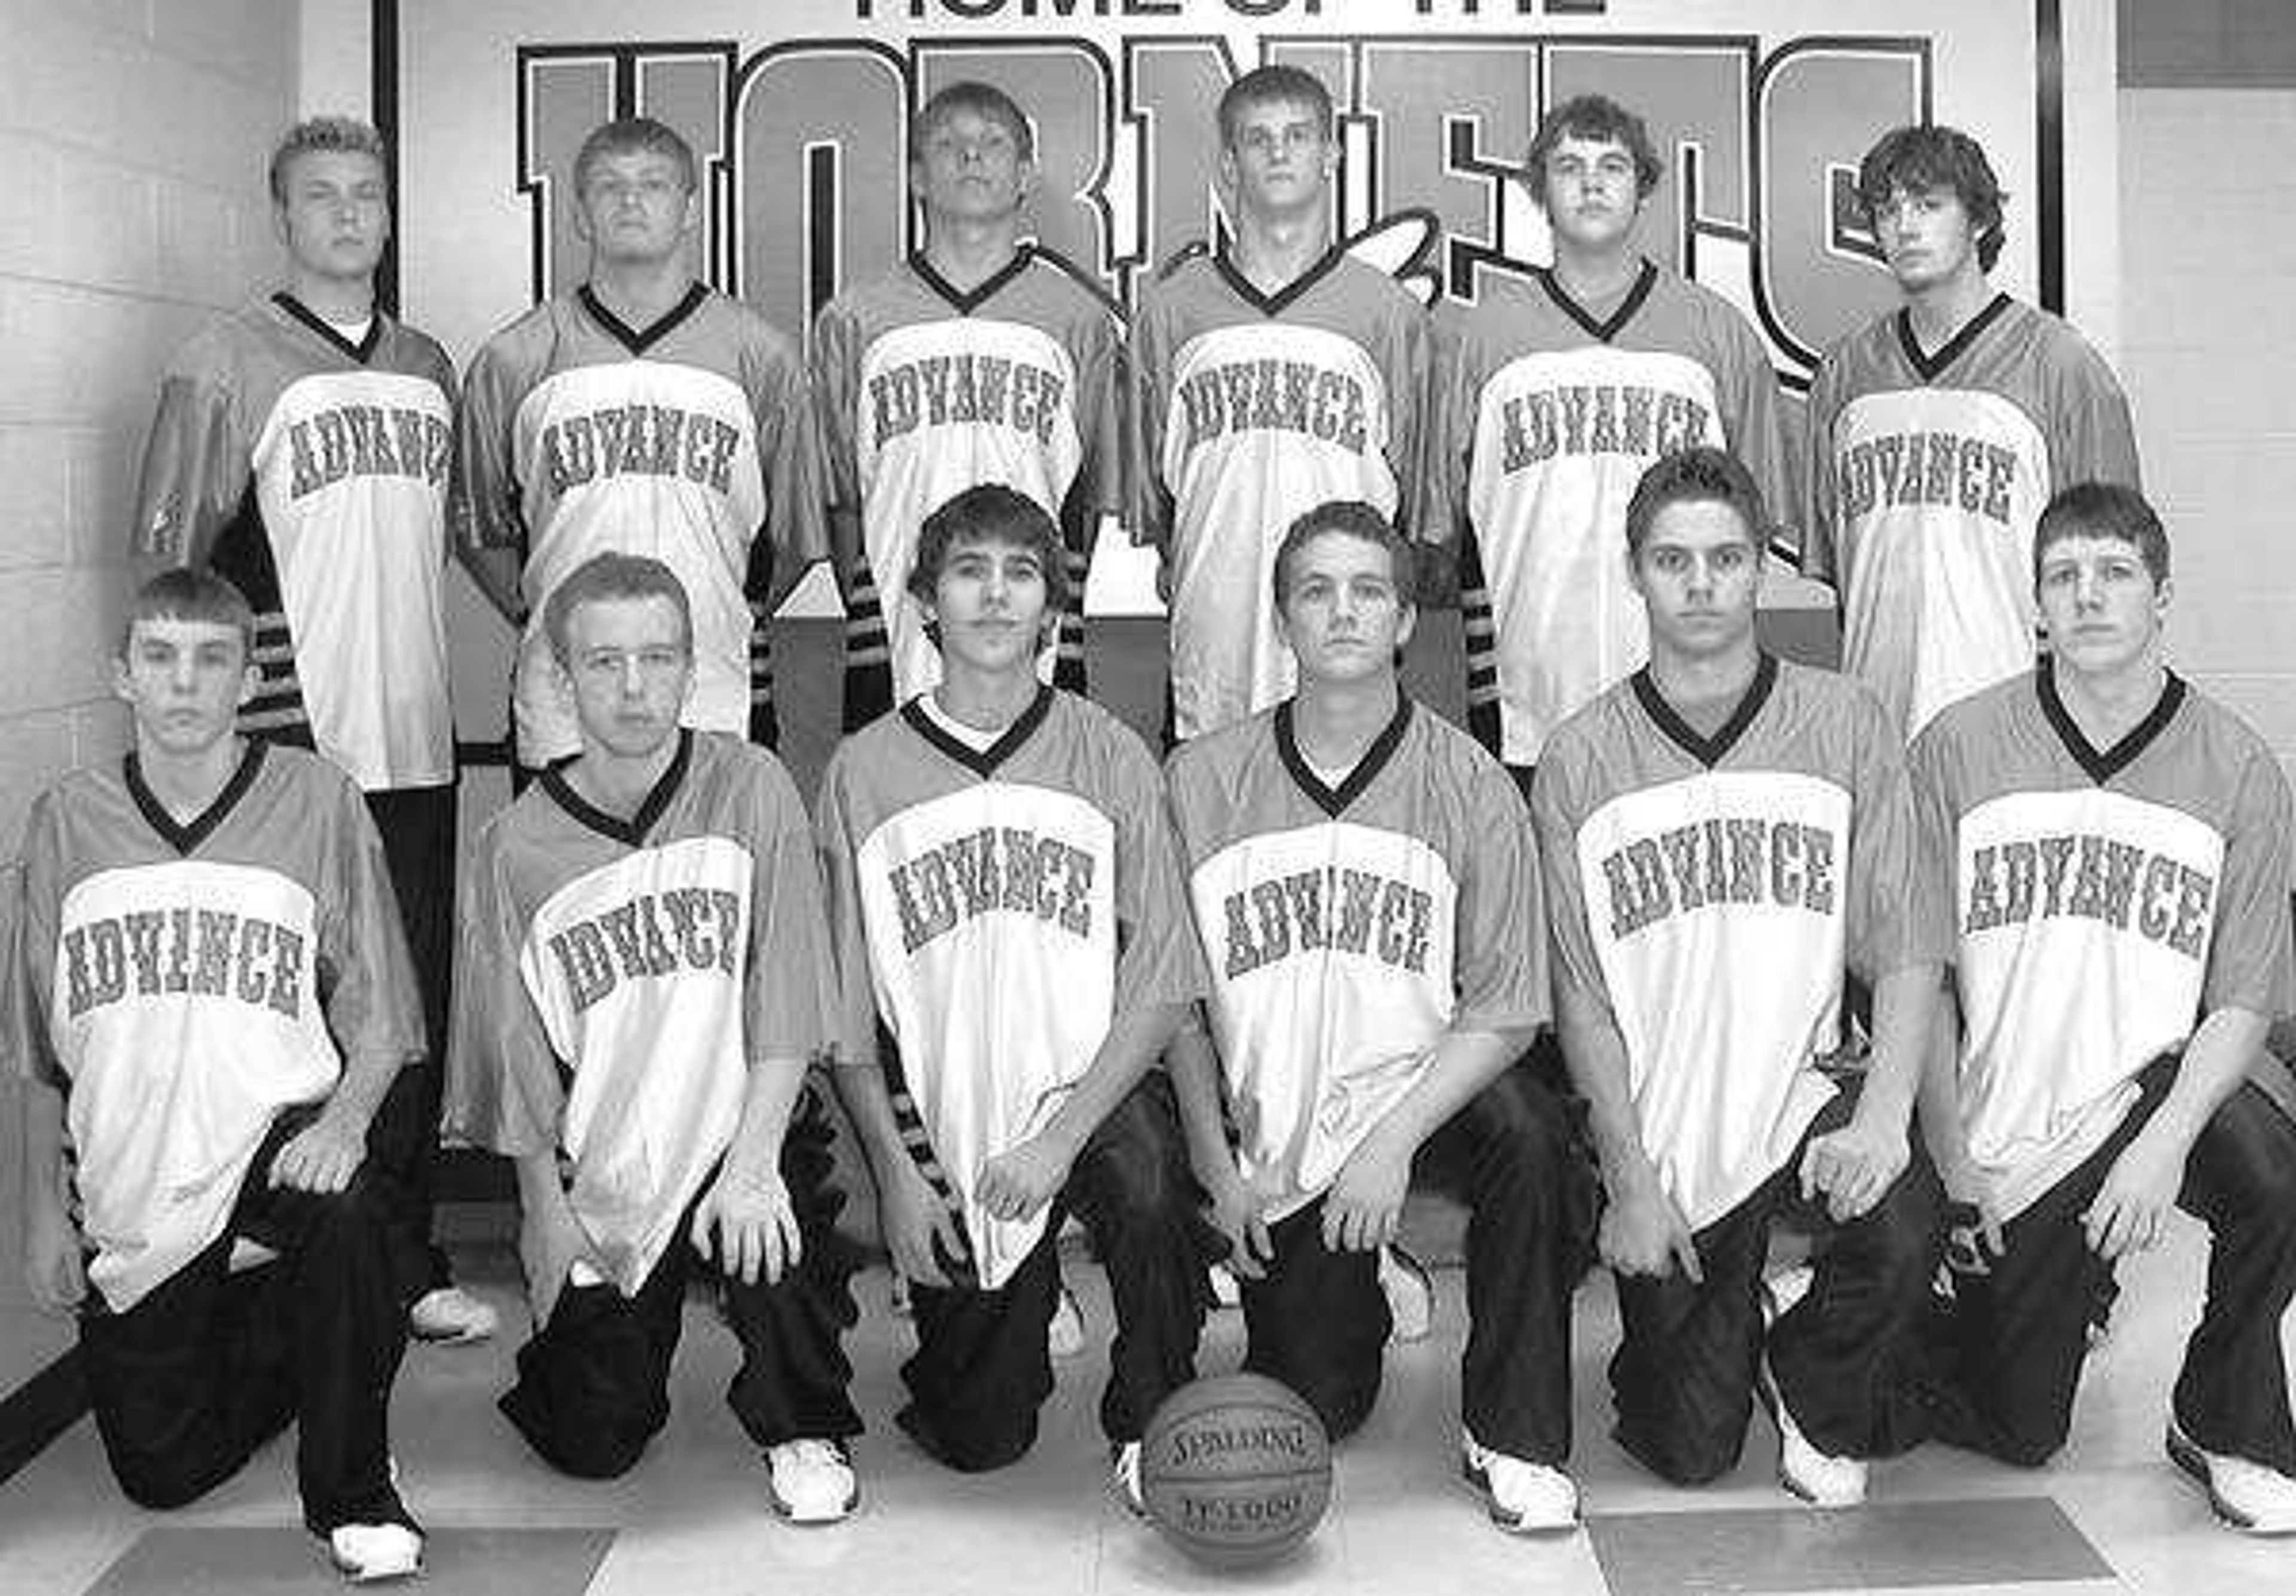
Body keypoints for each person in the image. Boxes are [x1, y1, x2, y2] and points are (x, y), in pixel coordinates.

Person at [130, 114, 492, 1346]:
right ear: (279, 217)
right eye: (320, 196)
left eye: (367, 195)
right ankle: (310, 1264)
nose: (347, 215)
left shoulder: (431, 367)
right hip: (294, 754)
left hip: (418, 744)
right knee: (310, 1018)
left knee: (410, 1006)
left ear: (390, 217)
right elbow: (169, 567)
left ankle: (406, 1253)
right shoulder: (223, 358)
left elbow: (463, 541)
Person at [1164, 499, 1593, 1533]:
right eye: (1317, 591)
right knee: (1318, 1401)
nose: (1343, 612)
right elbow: (1169, 1004)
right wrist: (1218, 1170)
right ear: (1282, 620)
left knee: (1537, 1143)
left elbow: (1506, 1012)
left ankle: (1513, 1431)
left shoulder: (1470, 780)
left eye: (1368, 591)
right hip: (1283, 1127)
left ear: (1405, 619)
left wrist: (1390, 1142)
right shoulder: (1200, 779)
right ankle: (1370, 1268)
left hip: (1424, 1093)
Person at [1529, 447, 1943, 1507]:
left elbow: (1905, 942)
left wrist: (1887, 1114)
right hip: (1668, 1118)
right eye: (1674, 560)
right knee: (1690, 1449)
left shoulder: (1845, 720)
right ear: (1635, 573)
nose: (1701, 583)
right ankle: (1726, 1327)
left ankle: (1814, 1370)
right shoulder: (1580, 754)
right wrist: (1626, 1175)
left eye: (1724, 557)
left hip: (1805, 1088)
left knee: (1903, 1217)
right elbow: (1580, 997)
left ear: (1762, 567)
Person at [12, 569, 429, 1581]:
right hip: (135, 1180)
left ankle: (354, 1494)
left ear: (250, 679)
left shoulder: (317, 796)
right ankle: (290, 1333)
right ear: (122, 676)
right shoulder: (66, 817)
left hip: (273, 1141)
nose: (184, 683)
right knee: (163, 1470)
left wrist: (343, 1125)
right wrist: (38, 1208)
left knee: (352, 1209)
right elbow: (31, 1042)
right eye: (159, 657)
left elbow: (387, 1018)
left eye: (211, 659)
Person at [1905, 481, 2296, 1533]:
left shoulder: (2239, 767)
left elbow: (2246, 995)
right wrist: (1952, 1159)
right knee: (2020, 1427)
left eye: (2115, 572)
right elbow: (1918, 977)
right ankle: (1879, 1304)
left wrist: (2165, 1139)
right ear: (2035, 602)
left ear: (2163, 594)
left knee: (2275, 1174)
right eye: (2064, 576)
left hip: (2156, 1087)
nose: (2089, 597)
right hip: (2014, 1133)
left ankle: (2229, 1413)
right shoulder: (1956, 746)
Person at [442, 553, 861, 1518]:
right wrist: (541, 1210)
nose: (634, 687)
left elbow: (791, 985)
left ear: (691, 667)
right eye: (604, 662)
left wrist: (753, 1161)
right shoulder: (513, 846)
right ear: (559, 674)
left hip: (742, 1127)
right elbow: (511, 1057)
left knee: (782, 1224)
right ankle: (591, 1348)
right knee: (594, 1442)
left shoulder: (750, 785)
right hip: (611, 1161)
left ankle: (800, 1418)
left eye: (658, 658)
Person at [816, 485, 1209, 1507]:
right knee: (979, 1435)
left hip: (1094, 1091)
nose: (995, 596)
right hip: (949, 1123)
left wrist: (1061, 1137)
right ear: (925, 600)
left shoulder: (1111, 753)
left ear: (1053, 608)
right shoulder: (862, 772)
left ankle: (1154, 1415)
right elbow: (846, 1013)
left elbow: (1165, 978)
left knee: (1153, 1179)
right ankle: (1004, 1316)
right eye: (969, 570)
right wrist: (898, 1176)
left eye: (1021, 572)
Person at [1430, 93, 1794, 793]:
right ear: (1540, 189)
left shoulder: (1717, 335)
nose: (1592, 182)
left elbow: (1757, 521)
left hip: (1692, 700)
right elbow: (1444, 521)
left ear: (1643, 185)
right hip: (1528, 701)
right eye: (1569, 166)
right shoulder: (1480, 341)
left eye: (1612, 165)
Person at [454, 115, 822, 773]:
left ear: (690, 210)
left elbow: (794, 535)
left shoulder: (763, 357)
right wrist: (550, 611)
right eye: (609, 186)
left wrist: (734, 611)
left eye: (654, 184)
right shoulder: (514, 358)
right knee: (571, 875)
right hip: (564, 698)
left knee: (718, 873)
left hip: (715, 687)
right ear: (580, 216)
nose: (631, 200)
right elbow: (480, 529)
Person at [1803, 123, 2141, 741]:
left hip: (2019, 733)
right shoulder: (1845, 373)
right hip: (1876, 731)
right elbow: (1840, 580)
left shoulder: (2062, 366)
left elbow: (2117, 578)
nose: (1905, 225)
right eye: (1887, 208)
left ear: (1980, 222)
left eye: (1929, 205)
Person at [1132, 65, 1430, 744]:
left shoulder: (1389, 316)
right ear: (1228, 165)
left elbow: (1408, 493)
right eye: (1257, 139)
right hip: (1214, 633)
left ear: (1331, 155)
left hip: (1350, 633)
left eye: (1297, 136)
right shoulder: (1170, 312)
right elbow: (1158, 492)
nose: (1278, 152)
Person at [812, 80, 1120, 731]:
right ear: (918, 177)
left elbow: (1088, 495)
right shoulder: (854, 319)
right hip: (893, 633)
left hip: (1039, 633)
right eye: (949, 146)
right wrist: (875, 606)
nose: (972, 158)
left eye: (993, 144)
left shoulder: (1078, 320)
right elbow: (842, 497)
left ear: (1024, 175)